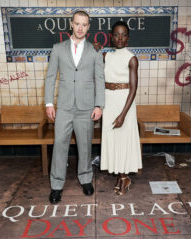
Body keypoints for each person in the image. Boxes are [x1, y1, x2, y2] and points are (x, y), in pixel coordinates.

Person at [44, 10, 105, 204]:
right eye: (77, 23)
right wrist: (48, 103)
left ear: (88, 27)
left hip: (86, 107)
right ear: (71, 24)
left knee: (85, 146)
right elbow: (51, 77)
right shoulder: (58, 48)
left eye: (84, 24)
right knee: (59, 145)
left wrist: (99, 105)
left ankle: (86, 179)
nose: (80, 28)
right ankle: (56, 185)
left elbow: (100, 79)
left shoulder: (95, 50)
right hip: (64, 106)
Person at [100, 21, 142, 195]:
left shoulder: (131, 58)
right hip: (109, 102)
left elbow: (133, 88)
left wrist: (123, 114)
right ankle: (120, 175)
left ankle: (125, 178)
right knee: (113, 139)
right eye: (116, 34)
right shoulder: (106, 56)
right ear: (111, 37)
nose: (120, 38)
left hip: (125, 103)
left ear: (128, 38)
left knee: (124, 140)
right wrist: (95, 47)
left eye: (123, 34)